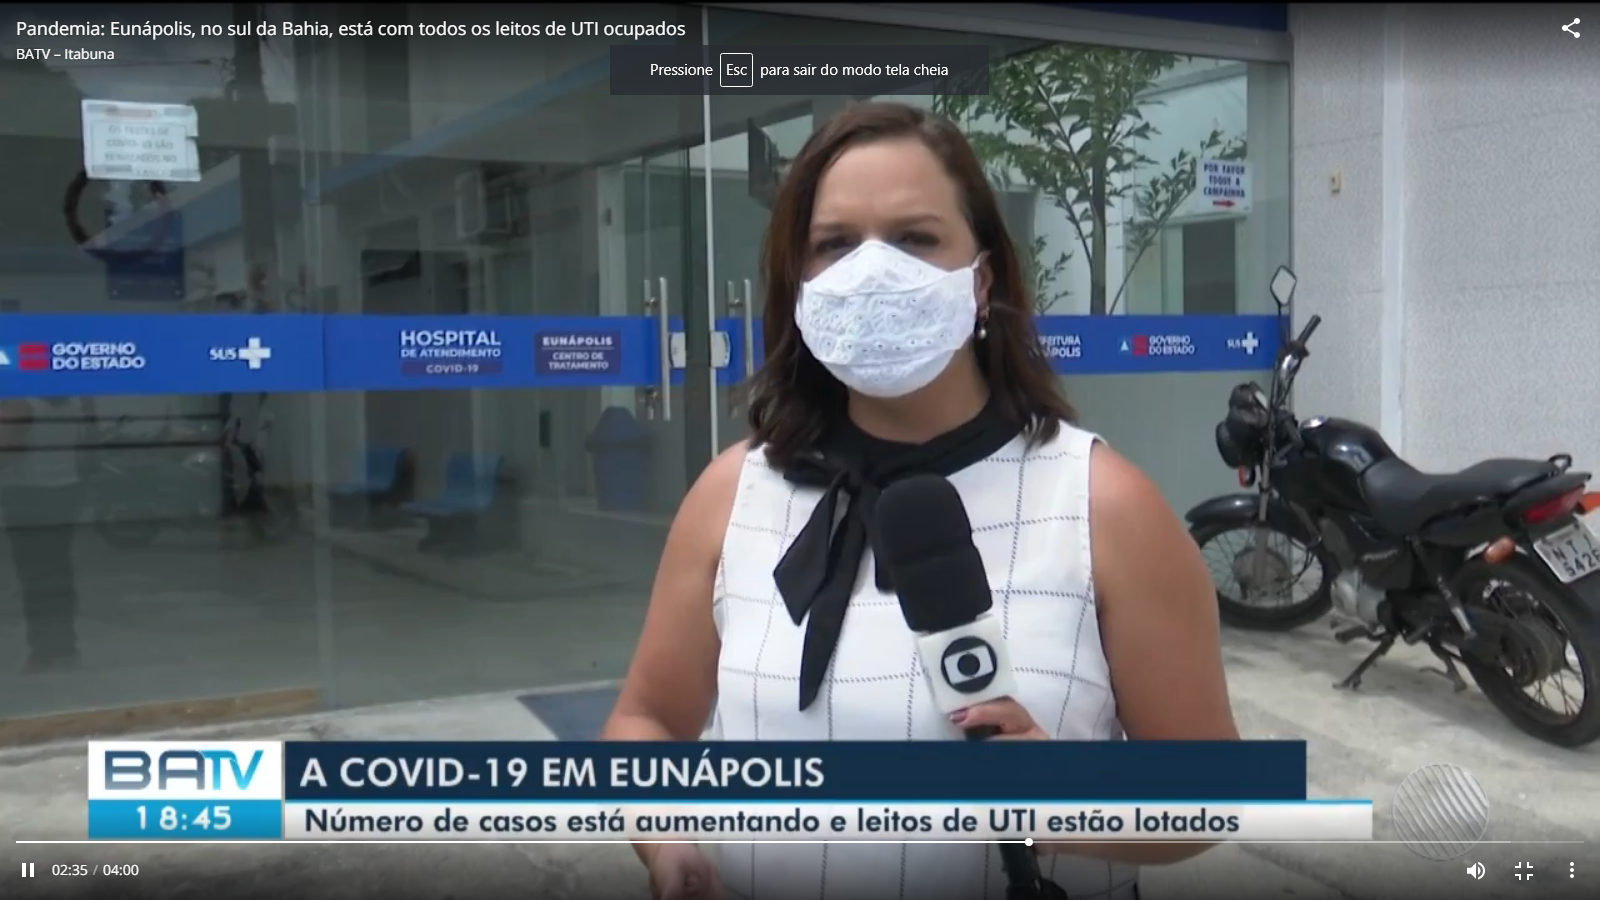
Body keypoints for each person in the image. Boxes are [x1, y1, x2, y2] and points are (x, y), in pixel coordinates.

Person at [601, 102, 1239, 900]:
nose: (872, 271)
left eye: (914, 238)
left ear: (982, 281)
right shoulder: (731, 495)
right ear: (799, 286)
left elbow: (1214, 790)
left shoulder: (1103, 504)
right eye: (834, 244)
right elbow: (646, 724)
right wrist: (668, 841)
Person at [1, 395, 89, 673]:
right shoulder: (74, 402)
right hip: (66, 490)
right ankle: (65, 649)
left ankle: (44, 652)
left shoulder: (22, 405)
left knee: (35, 578)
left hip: (29, 495)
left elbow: (5, 453)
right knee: (58, 573)